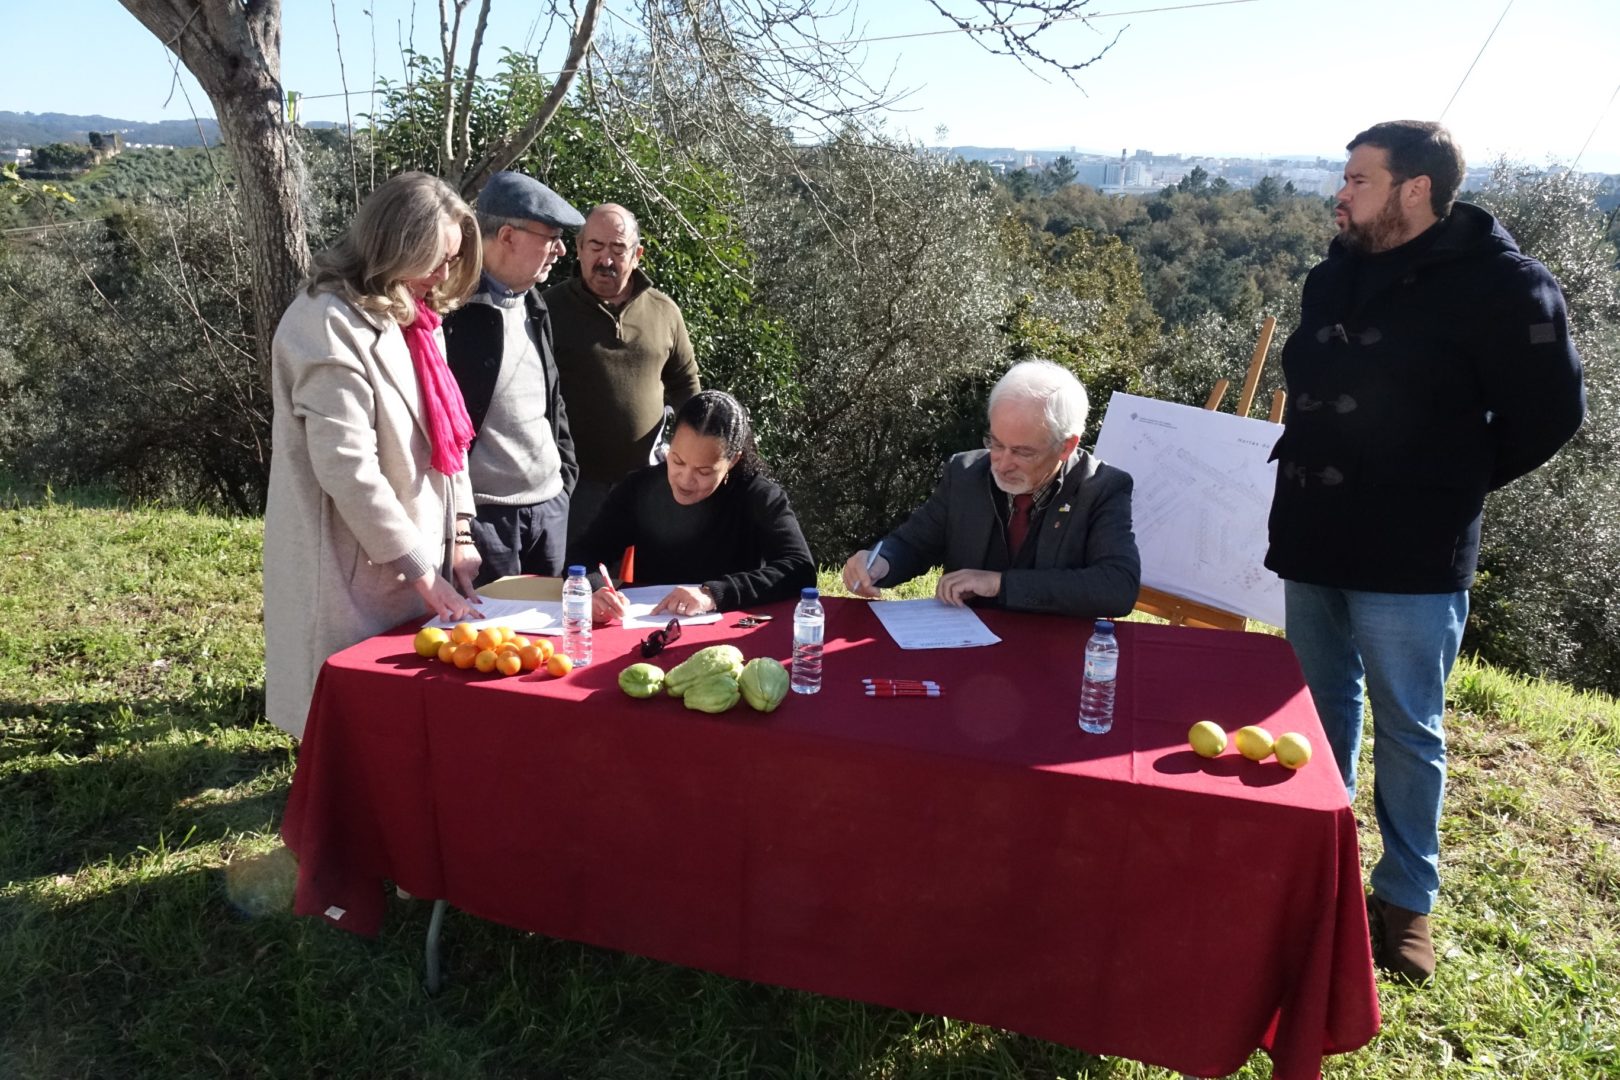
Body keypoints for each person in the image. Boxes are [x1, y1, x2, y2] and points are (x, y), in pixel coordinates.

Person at [1265, 120, 1586, 984]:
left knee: (1410, 726)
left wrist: (1448, 481)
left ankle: (1406, 900)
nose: (1341, 194)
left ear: (1416, 190)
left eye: (1359, 180)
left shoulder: (1506, 286)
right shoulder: (1334, 273)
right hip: (1313, 531)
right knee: (1316, 710)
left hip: (1413, 548)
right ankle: (1316, 865)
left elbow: (1552, 415)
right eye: (1344, 177)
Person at [263, 172, 485, 739]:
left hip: (416, 561)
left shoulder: (415, 315)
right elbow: (347, 467)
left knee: (402, 730)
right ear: (396, 246)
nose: (443, 276)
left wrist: (459, 533)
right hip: (351, 571)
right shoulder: (324, 323)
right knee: (347, 732)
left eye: (451, 260)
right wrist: (419, 567)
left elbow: (448, 435)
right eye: (436, 260)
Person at [842, 359, 1141, 617]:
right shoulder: (966, 473)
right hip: (967, 646)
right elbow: (915, 543)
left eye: (1022, 452)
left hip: (1056, 651)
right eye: (996, 444)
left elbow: (1118, 587)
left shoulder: (1101, 489)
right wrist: (881, 562)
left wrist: (1000, 583)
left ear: (1066, 447)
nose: (1002, 463)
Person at [443, 171, 583, 583]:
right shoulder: (451, 310)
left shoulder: (534, 302)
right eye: (551, 237)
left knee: (551, 625)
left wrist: (564, 477)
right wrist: (461, 520)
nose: (561, 250)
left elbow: (552, 399)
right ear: (507, 236)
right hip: (485, 521)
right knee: (491, 626)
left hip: (550, 508)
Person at [570, 390, 814, 619]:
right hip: (649, 623)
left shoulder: (757, 495)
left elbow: (799, 569)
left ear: (732, 461)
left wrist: (713, 594)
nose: (685, 480)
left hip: (727, 627)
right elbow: (584, 552)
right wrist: (594, 589)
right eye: (677, 461)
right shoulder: (640, 488)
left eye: (704, 471)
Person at [542, 203, 701, 543]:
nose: (606, 259)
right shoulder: (549, 309)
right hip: (572, 485)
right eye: (596, 246)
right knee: (576, 572)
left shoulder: (664, 311)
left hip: (647, 485)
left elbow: (685, 384)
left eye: (618, 249)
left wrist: (690, 454)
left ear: (637, 255)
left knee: (642, 572)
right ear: (579, 248)